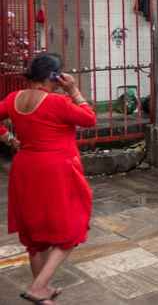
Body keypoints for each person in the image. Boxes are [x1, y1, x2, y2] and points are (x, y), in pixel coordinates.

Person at [0, 53, 96, 304]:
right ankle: (39, 286)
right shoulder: (57, 103)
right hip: (56, 171)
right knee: (74, 227)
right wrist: (74, 90)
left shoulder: (13, 99)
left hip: (25, 168)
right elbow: (89, 119)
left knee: (35, 234)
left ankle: (42, 294)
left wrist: (9, 139)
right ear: (55, 76)